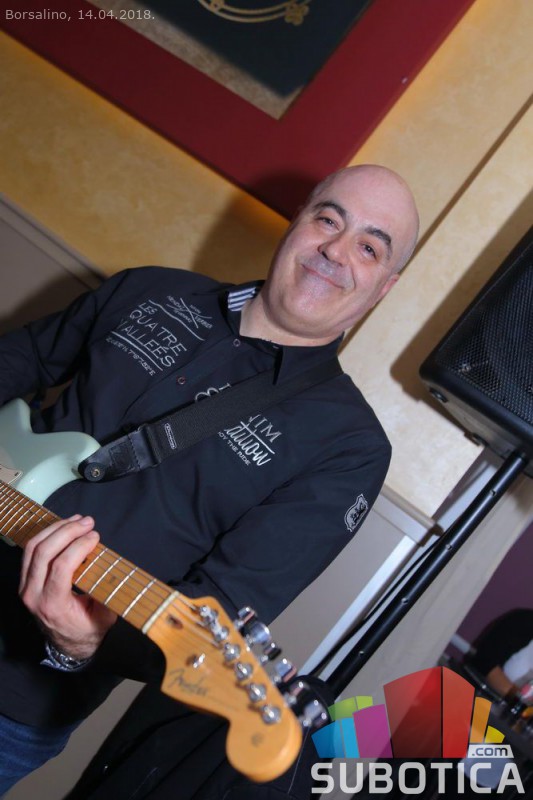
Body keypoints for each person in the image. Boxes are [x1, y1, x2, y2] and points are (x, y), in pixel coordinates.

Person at [0, 164, 419, 795]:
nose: (336, 250)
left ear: (384, 287)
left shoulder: (349, 448)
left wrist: (85, 644)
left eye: (369, 247)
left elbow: (223, 601)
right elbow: (23, 358)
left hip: (13, 696)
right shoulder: (148, 289)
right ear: (296, 223)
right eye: (328, 219)